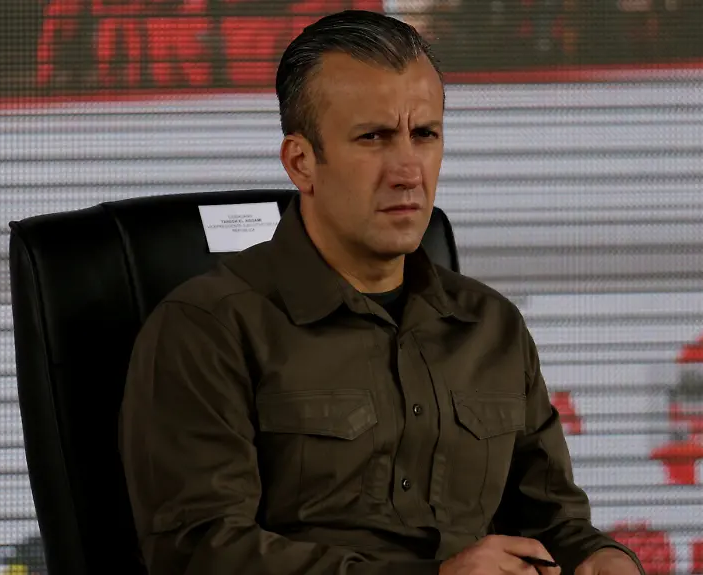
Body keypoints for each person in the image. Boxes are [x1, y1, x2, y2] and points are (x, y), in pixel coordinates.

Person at [119, 10, 646, 575]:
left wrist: (602, 558)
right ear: (301, 162)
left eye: (425, 135)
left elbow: (554, 523)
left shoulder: (491, 325)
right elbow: (201, 551)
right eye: (373, 138)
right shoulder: (208, 327)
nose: (408, 171)